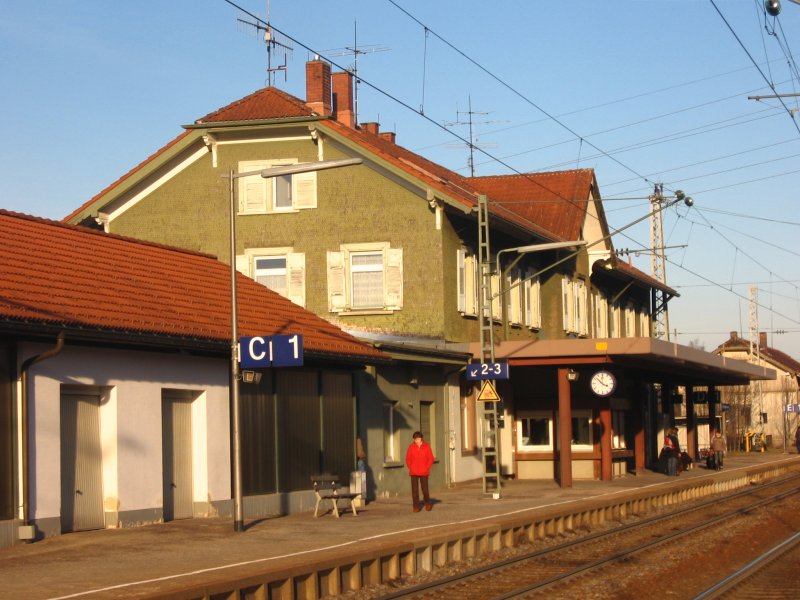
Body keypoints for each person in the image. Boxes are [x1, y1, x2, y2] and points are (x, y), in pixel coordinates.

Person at [405, 431, 435, 512]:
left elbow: (431, 458)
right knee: (414, 491)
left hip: (424, 471)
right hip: (413, 472)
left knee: (425, 489)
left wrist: (426, 467)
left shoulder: (427, 446)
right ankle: (416, 506)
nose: (417, 440)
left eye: (418, 438)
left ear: (421, 438)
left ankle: (427, 503)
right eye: (415, 439)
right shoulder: (411, 447)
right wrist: (411, 467)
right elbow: (408, 459)